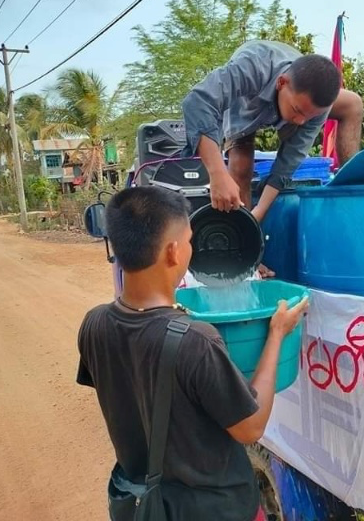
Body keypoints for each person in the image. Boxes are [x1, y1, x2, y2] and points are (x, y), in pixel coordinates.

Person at [76, 186, 308, 521]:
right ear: (173, 253)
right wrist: (276, 336)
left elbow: (140, 384)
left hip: (150, 505)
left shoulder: (94, 324)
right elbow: (250, 428)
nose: (192, 248)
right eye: (189, 241)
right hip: (216, 507)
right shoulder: (195, 340)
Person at [181, 39, 364, 223]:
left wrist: (259, 213)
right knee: (241, 167)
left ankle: (353, 194)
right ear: (281, 83)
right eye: (297, 111)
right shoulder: (250, 68)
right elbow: (198, 102)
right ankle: (241, 234)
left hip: (300, 94)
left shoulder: (314, 109)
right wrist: (218, 175)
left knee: (353, 104)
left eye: (308, 117)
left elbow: (287, 164)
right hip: (247, 103)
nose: (301, 122)